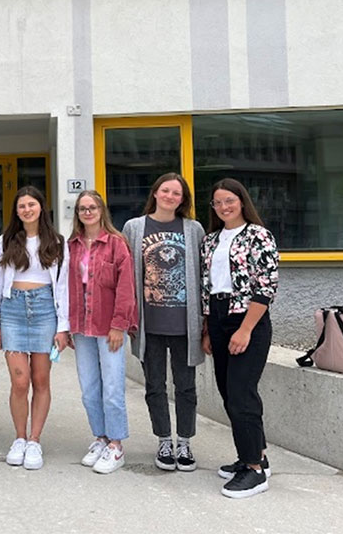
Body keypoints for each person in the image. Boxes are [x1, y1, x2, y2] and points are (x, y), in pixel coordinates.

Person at [200, 178, 279, 499]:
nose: (224, 207)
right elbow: (207, 286)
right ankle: (256, 454)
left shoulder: (259, 235)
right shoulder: (210, 240)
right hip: (217, 318)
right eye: (218, 202)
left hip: (247, 318)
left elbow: (266, 286)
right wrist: (208, 329)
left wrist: (245, 329)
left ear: (242, 201)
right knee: (227, 391)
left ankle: (254, 471)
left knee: (241, 393)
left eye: (229, 200)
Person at [122, 173, 205, 472]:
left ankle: (184, 441)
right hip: (150, 324)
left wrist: (205, 321)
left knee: (186, 387)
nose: (170, 196)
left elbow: (203, 276)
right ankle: (164, 441)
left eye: (176, 193)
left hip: (184, 325)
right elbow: (126, 275)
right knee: (154, 386)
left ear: (183, 200)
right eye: (165, 191)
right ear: (155, 193)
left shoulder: (194, 229)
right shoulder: (134, 227)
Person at [0, 186, 69, 470]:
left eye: (31, 205)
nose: (27, 210)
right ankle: (19, 438)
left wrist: (63, 327)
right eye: (22, 206)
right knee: (20, 381)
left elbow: (63, 286)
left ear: (41, 207)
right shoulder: (6, 240)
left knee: (41, 379)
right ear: (16, 211)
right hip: (13, 310)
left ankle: (34, 440)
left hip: (45, 309)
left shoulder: (57, 241)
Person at [67, 190, 137, 474]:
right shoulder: (72, 245)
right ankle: (101, 438)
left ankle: (116, 445)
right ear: (77, 214)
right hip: (82, 327)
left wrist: (119, 325)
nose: (88, 212)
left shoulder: (116, 244)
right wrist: (67, 325)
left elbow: (126, 288)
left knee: (112, 389)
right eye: (82, 208)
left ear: (101, 210)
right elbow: (66, 286)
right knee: (89, 390)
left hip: (109, 328)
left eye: (92, 207)